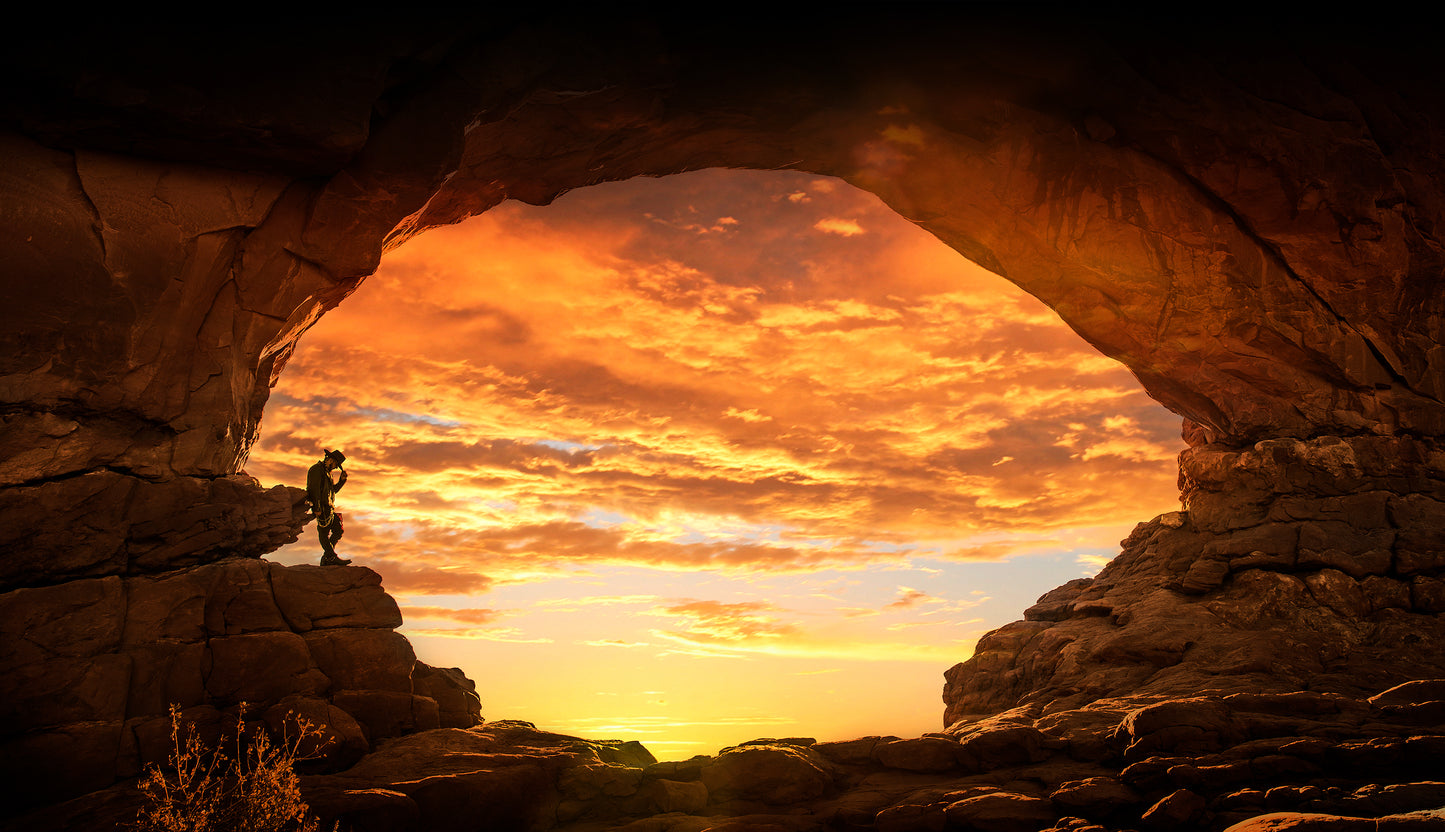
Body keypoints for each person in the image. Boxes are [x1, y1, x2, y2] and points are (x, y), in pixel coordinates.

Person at [306, 448, 351, 565]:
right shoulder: (316, 470)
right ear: (330, 460)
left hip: (330, 509)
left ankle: (328, 556)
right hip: (322, 509)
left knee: (338, 531)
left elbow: (332, 491)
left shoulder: (328, 474)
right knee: (323, 533)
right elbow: (313, 490)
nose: (336, 467)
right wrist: (316, 508)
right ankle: (330, 557)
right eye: (336, 464)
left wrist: (342, 481)